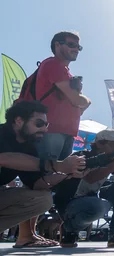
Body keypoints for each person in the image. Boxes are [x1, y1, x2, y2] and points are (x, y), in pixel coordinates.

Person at [0, 101, 85, 247]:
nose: (44, 130)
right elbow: (4, 158)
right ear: (19, 121)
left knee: (42, 199)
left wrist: (66, 173)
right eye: (39, 123)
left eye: (46, 125)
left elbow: (37, 184)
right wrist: (56, 164)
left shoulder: (28, 147)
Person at [60, 130, 114, 248]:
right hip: (71, 204)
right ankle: (69, 228)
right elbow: (91, 178)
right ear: (100, 144)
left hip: (90, 200)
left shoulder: (112, 161)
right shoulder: (82, 156)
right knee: (100, 206)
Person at [32, 31, 91, 161]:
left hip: (65, 132)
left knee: (57, 176)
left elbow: (76, 104)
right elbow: (77, 100)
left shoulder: (65, 72)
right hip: (52, 129)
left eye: (78, 47)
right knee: (47, 174)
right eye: (71, 45)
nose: (76, 49)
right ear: (57, 45)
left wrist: (80, 103)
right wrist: (87, 101)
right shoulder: (54, 64)